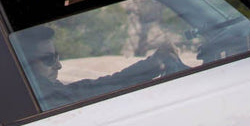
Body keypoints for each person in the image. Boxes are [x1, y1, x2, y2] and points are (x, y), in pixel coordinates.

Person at [20, 26, 186, 110]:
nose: (59, 65)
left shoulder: (43, 92)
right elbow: (98, 88)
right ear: (25, 66)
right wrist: (154, 63)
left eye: (57, 56)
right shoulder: (43, 97)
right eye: (48, 59)